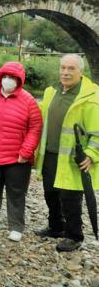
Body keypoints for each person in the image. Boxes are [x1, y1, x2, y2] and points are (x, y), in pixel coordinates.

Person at [34, 54, 99, 252]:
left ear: (81, 71)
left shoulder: (91, 97)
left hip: (72, 159)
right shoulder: (51, 91)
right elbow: (40, 114)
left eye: (71, 69)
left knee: (71, 198)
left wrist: (91, 154)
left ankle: (74, 235)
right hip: (50, 154)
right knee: (50, 193)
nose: (65, 72)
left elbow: (97, 131)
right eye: (63, 68)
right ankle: (56, 226)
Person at [0, 62, 42, 242]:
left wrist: (26, 151)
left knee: (16, 193)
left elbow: (35, 128)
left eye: (12, 77)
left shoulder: (29, 101)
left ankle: (16, 226)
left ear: (19, 80)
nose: (8, 80)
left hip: (16, 158)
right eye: (5, 76)